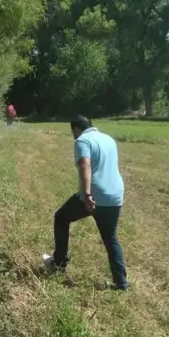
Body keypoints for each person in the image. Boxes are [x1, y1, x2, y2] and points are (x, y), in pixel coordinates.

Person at [43, 115, 129, 291]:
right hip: (115, 195)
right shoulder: (108, 139)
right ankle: (121, 284)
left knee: (61, 218)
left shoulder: (82, 140)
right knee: (110, 237)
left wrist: (88, 194)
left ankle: (59, 264)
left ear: (75, 129)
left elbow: (85, 164)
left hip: (94, 195)